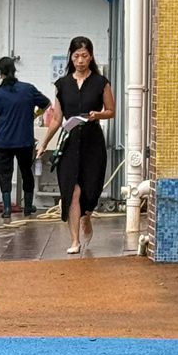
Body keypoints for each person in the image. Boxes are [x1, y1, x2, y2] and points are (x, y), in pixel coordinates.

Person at [42, 36, 115, 254]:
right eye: (76, 56)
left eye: (84, 56)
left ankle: (87, 216)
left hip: (93, 142)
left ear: (91, 57)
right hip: (69, 141)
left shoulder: (101, 83)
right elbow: (56, 118)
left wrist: (98, 115)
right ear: (71, 58)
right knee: (71, 191)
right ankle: (75, 240)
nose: (80, 60)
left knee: (90, 190)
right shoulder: (62, 85)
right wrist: (44, 143)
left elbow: (111, 111)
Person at [0, 56, 49, 219]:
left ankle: (7, 209)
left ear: (0, 73)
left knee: (5, 174)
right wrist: (35, 114)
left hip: (4, 141)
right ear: (14, 70)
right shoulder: (28, 89)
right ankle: (27, 207)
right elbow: (46, 104)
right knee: (27, 172)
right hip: (24, 140)